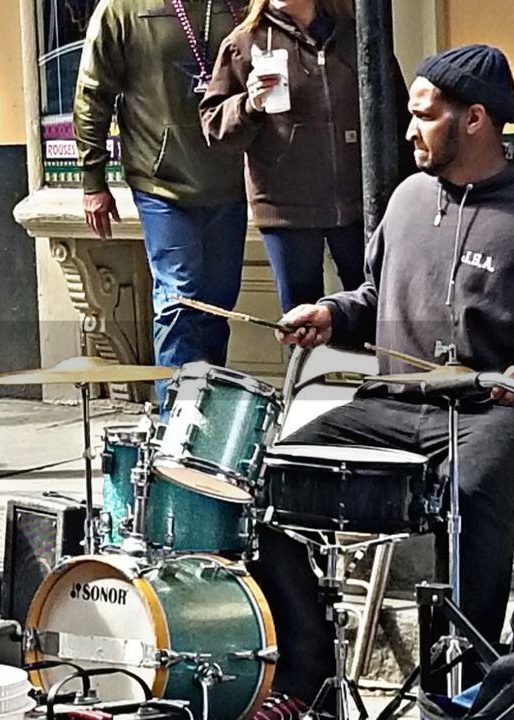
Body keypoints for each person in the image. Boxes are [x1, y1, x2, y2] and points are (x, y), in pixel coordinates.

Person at [250, 45, 514, 717]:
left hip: (487, 413)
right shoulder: (406, 198)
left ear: (476, 119)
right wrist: (328, 314)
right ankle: (306, 662)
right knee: (258, 466)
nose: (408, 131)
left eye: (424, 116)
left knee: (476, 485)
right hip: (391, 405)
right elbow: (371, 297)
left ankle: (466, 684)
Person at [200, 0, 410, 311]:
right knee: (302, 321)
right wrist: (250, 104)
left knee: (376, 308)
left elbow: (397, 117)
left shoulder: (358, 33)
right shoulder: (244, 43)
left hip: (361, 203)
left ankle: (370, 363)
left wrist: (405, 191)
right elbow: (215, 127)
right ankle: (309, 363)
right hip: (286, 209)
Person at [75, 0, 248, 376]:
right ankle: (175, 422)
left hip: (231, 179)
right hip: (162, 180)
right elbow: (92, 93)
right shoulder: (120, 9)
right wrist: (93, 181)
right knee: (179, 299)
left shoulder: (241, 4)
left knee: (217, 306)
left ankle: (208, 415)